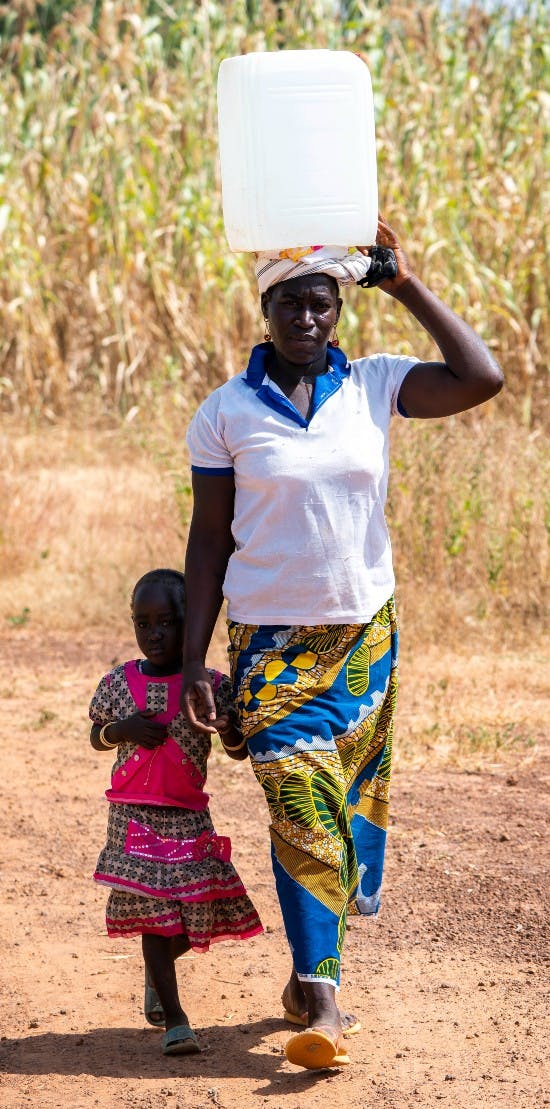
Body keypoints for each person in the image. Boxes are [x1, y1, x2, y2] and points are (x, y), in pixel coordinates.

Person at [180, 216, 504, 1070]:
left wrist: (401, 282)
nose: (307, 319)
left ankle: (306, 981)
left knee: (345, 815)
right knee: (298, 799)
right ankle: (319, 991)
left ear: (339, 308)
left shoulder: (376, 386)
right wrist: (190, 659)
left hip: (364, 640)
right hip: (270, 647)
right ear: (266, 310)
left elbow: (483, 377)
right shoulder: (225, 412)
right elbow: (208, 540)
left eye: (321, 303)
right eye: (290, 303)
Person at [89, 568, 262, 1056]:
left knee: (194, 915)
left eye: (166, 622)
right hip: (133, 816)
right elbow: (97, 735)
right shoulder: (119, 683)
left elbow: (236, 749)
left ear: (193, 625)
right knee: (155, 917)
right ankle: (176, 1019)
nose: (153, 634)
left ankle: (156, 974)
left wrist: (226, 727)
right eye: (142, 623)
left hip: (188, 815)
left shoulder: (211, 684)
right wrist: (123, 731)